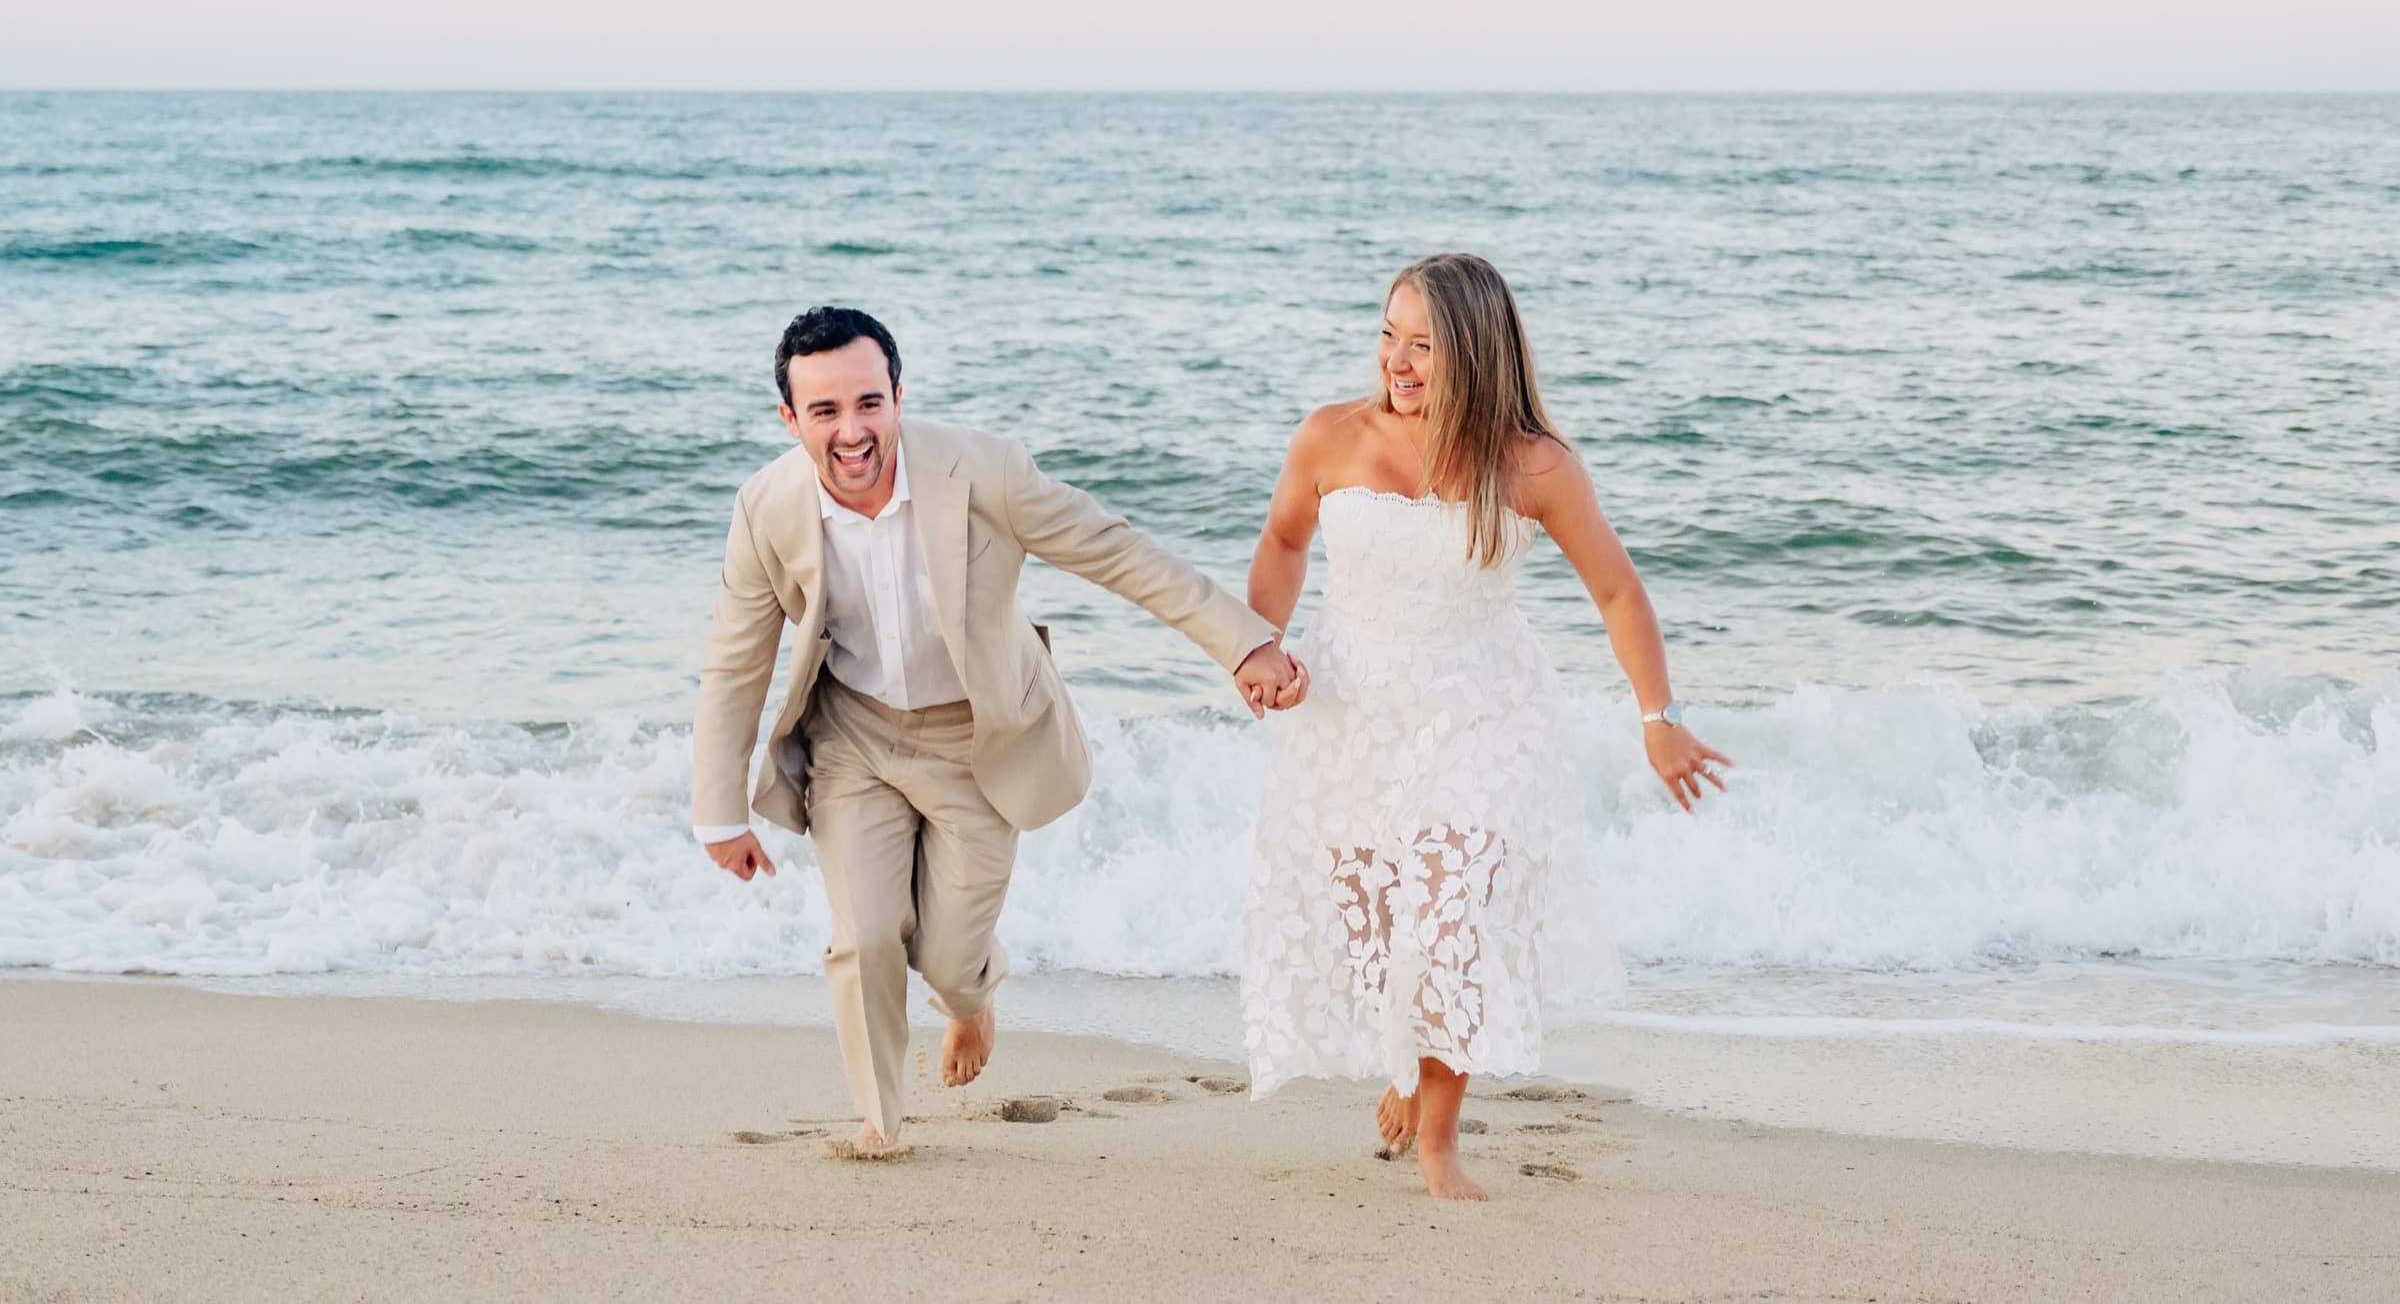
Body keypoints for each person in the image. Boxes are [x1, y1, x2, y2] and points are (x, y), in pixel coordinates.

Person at [694, 305, 1301, 1158]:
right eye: (824, 411)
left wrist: (1243, 641)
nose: (852, 430)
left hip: (976, 738)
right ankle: (880, 1120)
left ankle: (971, 999)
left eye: (869, 402)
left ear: (899, 394)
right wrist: (720, 812)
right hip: (852, 736)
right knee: (864, 933)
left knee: (946, 959)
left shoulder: (984, 472)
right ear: (789, 420)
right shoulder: (766, 508)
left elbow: (1114, 552)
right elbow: (735, 659)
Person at [1239, 253, 1731, 1200]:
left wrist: (1658, 716)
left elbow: (1619, 589)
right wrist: (1262, 647)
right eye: (1389, 334)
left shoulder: (1533, 463)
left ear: (1474, 350)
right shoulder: (1330, 437)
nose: (1398, 360)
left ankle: (1438, 1143)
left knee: (1448, 923)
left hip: (1483, 714)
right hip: (1351, 713)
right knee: (1378, 931)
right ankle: (1404, 1064)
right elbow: (1284, 541)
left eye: (1424, 345)